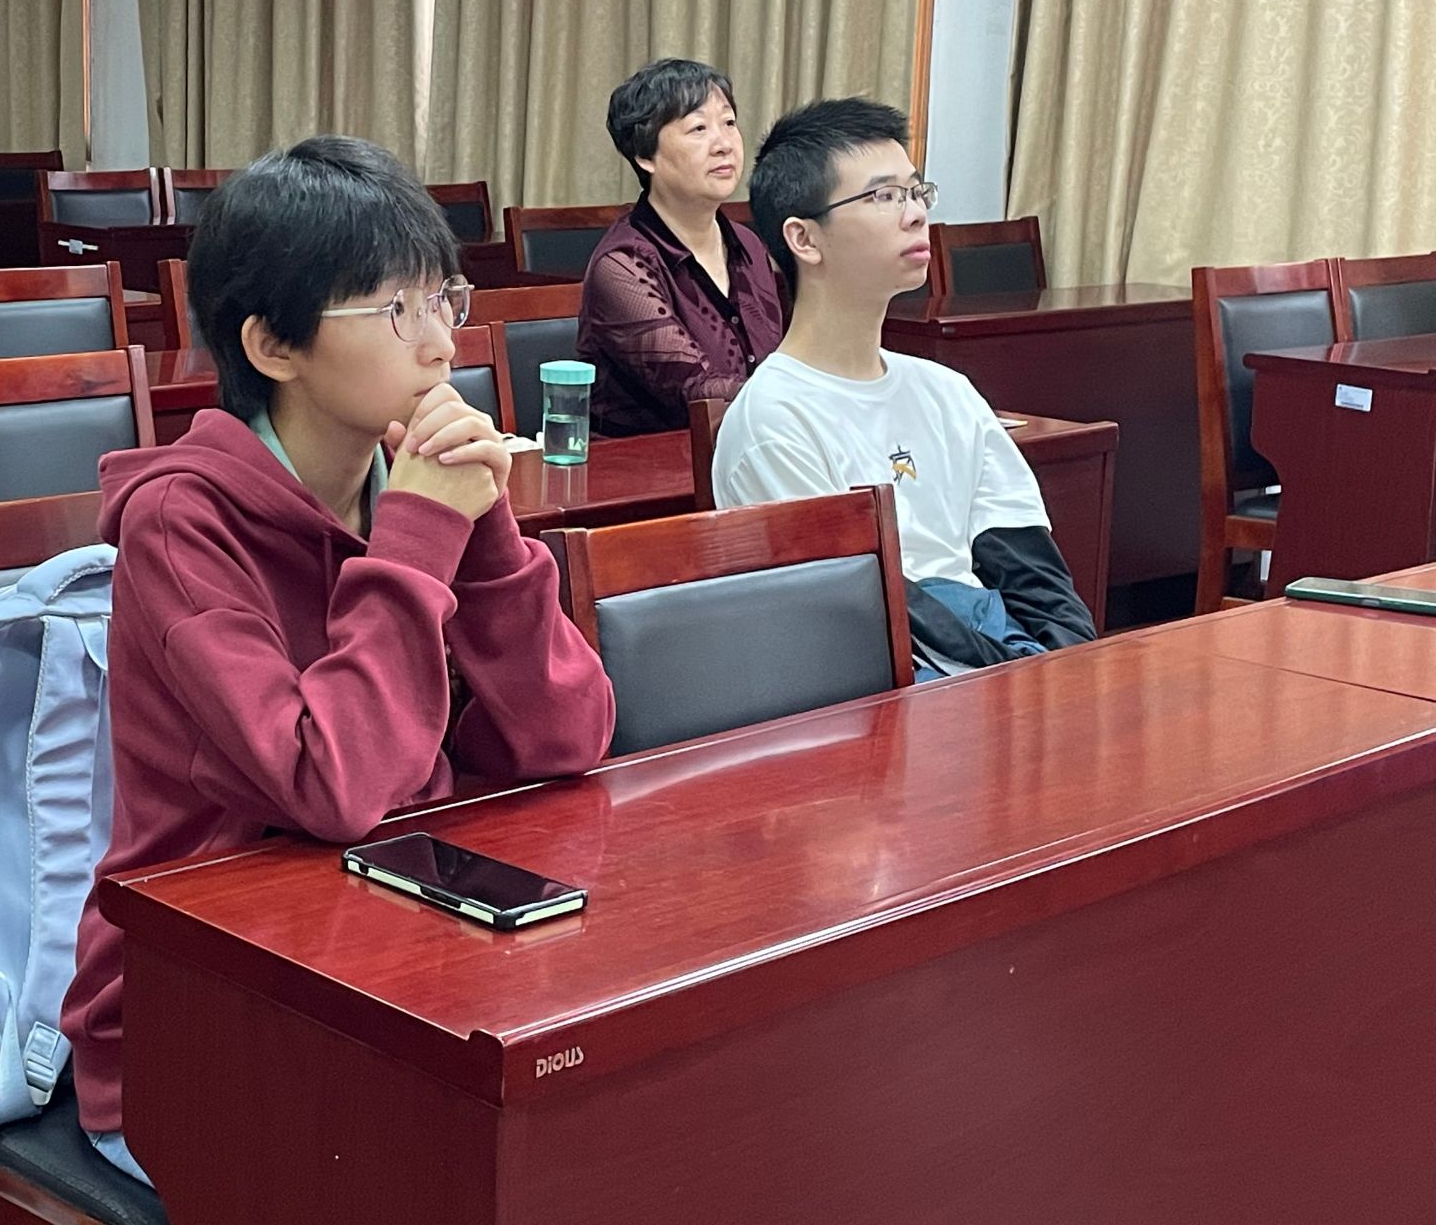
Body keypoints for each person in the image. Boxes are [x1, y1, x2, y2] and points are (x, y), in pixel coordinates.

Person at [62, 136, 616, 1186]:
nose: (441, 345)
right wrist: (420, 536)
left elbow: (569, 736)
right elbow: (329, 786)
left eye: (443, 299)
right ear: (274, 345)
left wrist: (487, 535)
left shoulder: (402, 483)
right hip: (199, 1013)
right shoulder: (180, 526)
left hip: (398, 952)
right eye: (395, 310)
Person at [713, 97, 1094, 674]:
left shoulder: (947, 392)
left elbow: (1031, 570)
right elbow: (863, 609)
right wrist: (1017, 678)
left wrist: (1065, 669)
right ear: (804, 239)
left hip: (992, 667)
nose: (915, 214)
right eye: (883, 196)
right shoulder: (774, 421)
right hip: (885, 681)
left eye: (916, 192)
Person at [575, 57, 786, 436]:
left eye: (729, 123)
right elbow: (697, 392)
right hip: (650, 465)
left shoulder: (749, 245)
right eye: (699, 128)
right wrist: (807, 394)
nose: (724, 144)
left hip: (749, 446)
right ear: (645, 156)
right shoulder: (622, 265)